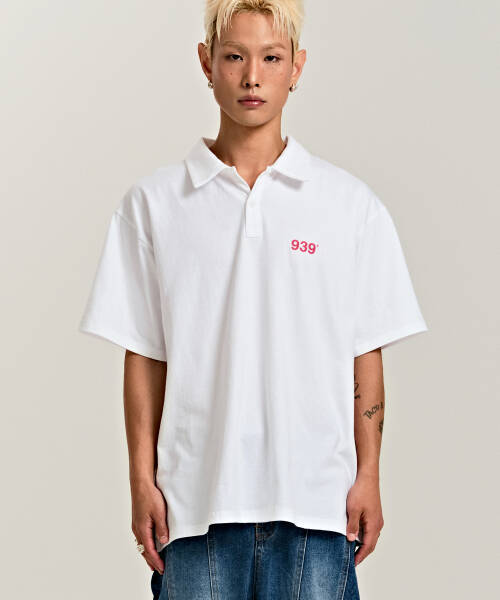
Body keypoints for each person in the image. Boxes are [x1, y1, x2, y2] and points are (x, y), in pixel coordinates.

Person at [78, 1, 428, 598]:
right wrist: (142, 480)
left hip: (316, 505)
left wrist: (369, 473)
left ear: (298, 67)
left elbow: (364, 352)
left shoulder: (348, 206)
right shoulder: (155, 205)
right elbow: (144, 355)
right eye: (234, 57)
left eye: (271, 58)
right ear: (206, 63)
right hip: (196, 507)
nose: (251, 77)